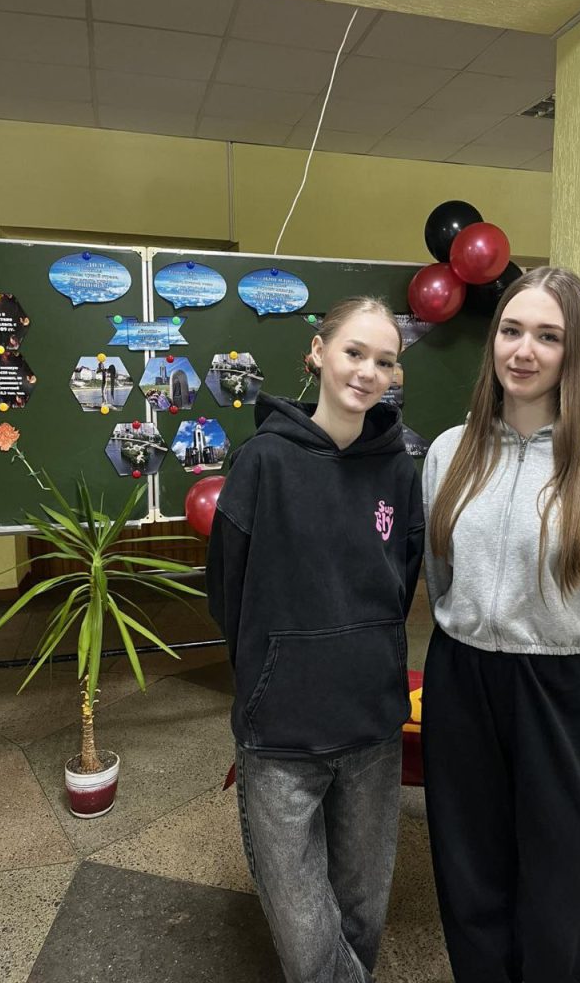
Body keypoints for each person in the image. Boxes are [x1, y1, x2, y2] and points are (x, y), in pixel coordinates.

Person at [421, 266, 580, 983]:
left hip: (565, 687)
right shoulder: (448, 452)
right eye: (511, 330)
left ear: (573, 350)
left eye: (548, 337)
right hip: (463, 676)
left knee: (564, 882)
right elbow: (441, 576)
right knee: (468, 868)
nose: (523, 351)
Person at [206, 296, 424, 983]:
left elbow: (401, 583)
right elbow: (227, 592)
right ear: (319, 353)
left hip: (371, 727)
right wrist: (277, 666)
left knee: (361, 913)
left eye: (384, 360)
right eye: (354, 352)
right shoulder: (262, 462)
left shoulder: (399, 470)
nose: (367, 371)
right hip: (281, 733)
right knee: (305, 936)